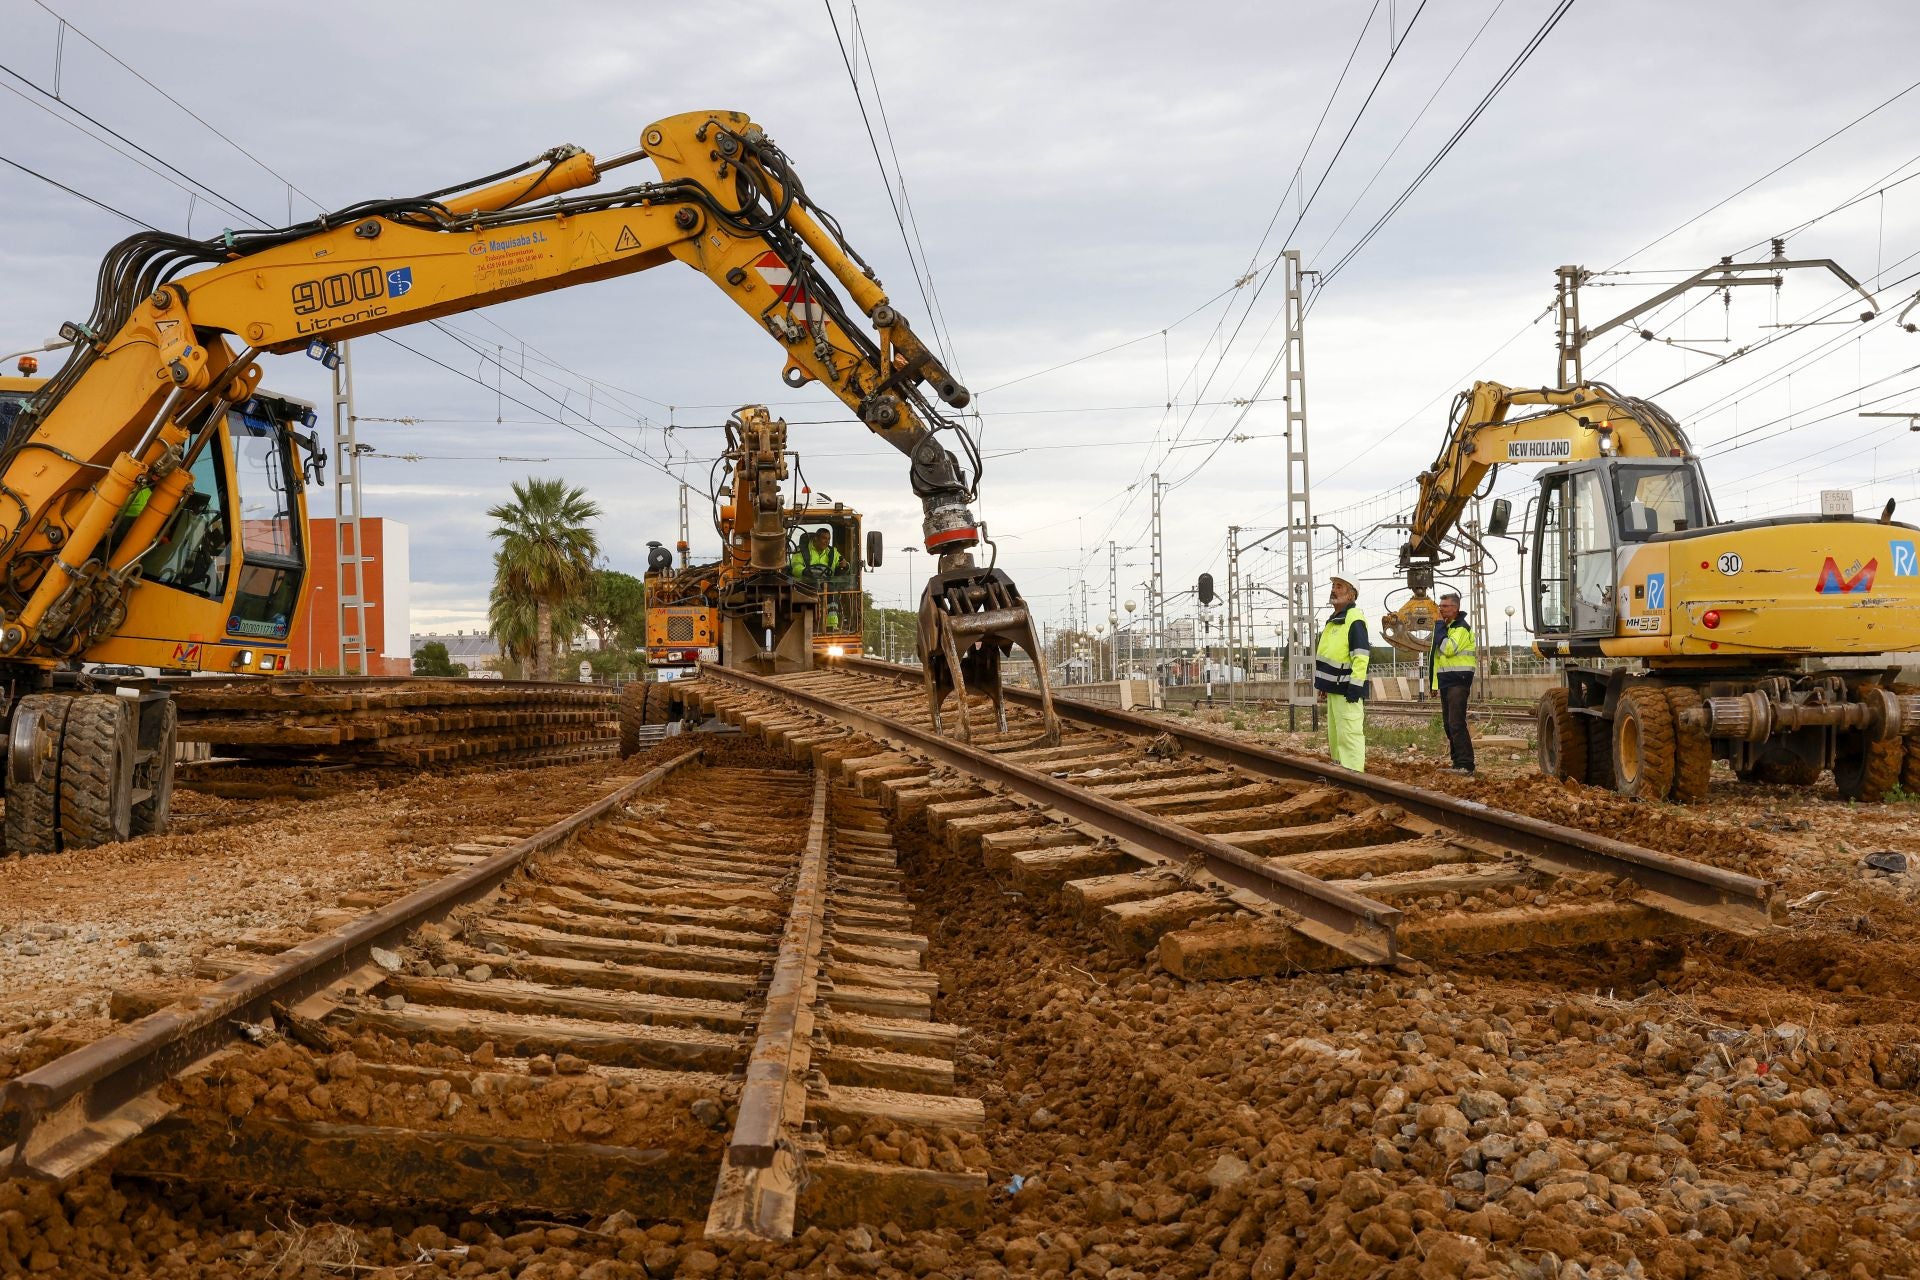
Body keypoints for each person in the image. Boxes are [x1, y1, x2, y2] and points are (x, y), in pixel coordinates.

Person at [1314, 576, 1371, 771]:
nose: (1334, 590)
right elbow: (1331, 655)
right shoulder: (1336, 620)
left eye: (1339, 586)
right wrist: (1324, 684)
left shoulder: (1354, 619)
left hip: (1347, 690)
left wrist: (1355, 687)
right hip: (1334, 689)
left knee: (1350, 734)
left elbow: (1361, 656)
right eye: (1333, 586)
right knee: (1337, 734)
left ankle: (1354, 775)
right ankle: (1341, 772)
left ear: (1351, 594)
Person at [1429, 591, 1478, 774]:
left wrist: (1440, 626)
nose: (1441, 609)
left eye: (1445, 606)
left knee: (1456, 722)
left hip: (1459, 680)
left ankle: (1466, 764)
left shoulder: (1460, 628)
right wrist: (1434, 684)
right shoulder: (1448, 629)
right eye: (1440, 606)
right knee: (1449, 724)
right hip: (1447, 681)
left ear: (1455, 608)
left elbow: (1448, 649)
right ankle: (1458, 763)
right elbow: (1437, 660)